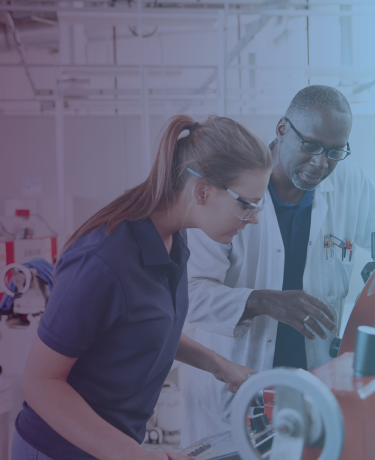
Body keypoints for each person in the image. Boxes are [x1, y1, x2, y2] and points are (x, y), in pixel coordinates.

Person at [12, 115, 273, 460]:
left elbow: (144, 326)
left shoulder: (173, 243)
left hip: (108, 447)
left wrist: (218, 364)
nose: (254, 218)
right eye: (247, 204)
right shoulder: (103, 261)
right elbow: (40, 384)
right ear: (202, 191)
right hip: (56, 450)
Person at [181, 85, 375, 447]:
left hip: (312, 389)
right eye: (312, 146)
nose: (321, 163)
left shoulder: (351, 184)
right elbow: (189, 293)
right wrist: (263, 301)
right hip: (234, 388)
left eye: (335, 152)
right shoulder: (231, 188)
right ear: (283, 128)